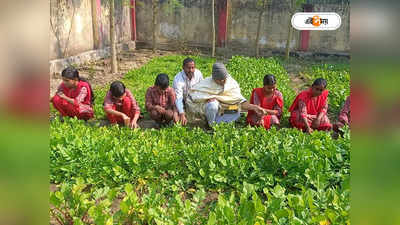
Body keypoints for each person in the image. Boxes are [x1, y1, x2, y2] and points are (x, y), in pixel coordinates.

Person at [186, 62, 265, 127]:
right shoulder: (207, 83)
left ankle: (217, 123)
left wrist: (254, 107)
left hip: (226, 109)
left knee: (236, 111)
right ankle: (211, 125)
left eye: (224, 79)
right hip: (210, 111)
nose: (223, 82)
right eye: (220, 80)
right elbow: (193, 98)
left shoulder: (231, 83)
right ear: (214, 79)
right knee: (212, 105)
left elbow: (240, 102)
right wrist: (206, 100)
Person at [173, 57, 203, 125]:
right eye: (188, 68)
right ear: (183, 67)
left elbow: (202, 89)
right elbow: (178, 98)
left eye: (193, 68)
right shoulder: (178, 79)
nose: (191, 70)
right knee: (176, 116)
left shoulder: (198, 74)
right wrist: (181, 113)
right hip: (183, 100)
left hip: (195, 100)